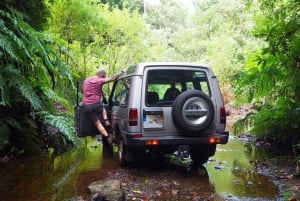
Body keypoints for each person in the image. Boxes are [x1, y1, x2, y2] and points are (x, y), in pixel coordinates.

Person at [82, 69, 123, 144]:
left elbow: (83, 91)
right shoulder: (100, 80)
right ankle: (106, 120)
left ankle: (107, 137)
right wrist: (121, 72)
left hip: (86, 106)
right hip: (97, 104)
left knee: (97, 123)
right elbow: (113, 78)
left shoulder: (86, 80)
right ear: (102, 75)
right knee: (102, 109)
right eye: (104, 76)